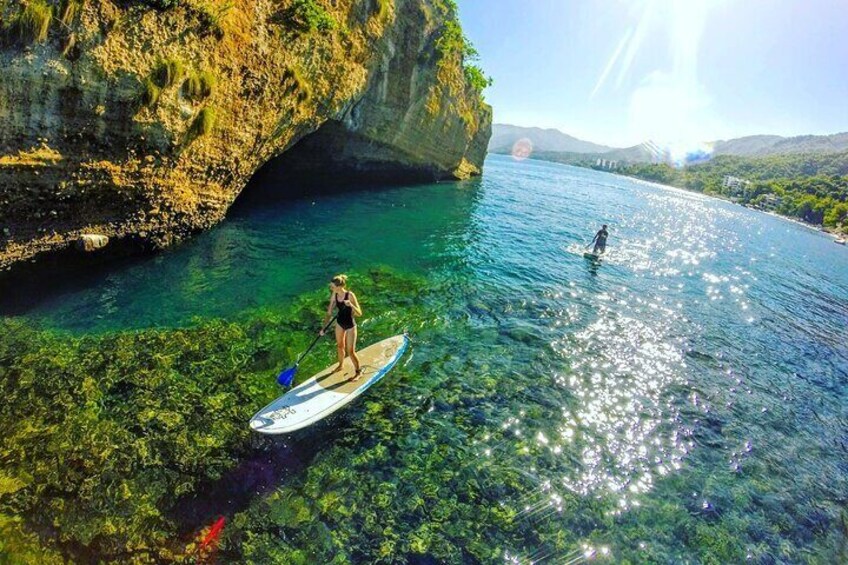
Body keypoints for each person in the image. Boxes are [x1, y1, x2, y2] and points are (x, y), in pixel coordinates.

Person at [320, 274, 363, 380]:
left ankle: (358, 372)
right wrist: (323, 328)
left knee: (350, 351)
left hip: (350, 326)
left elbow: (359, 313)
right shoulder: (334, 295)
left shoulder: (350, 295)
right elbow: (329, 313)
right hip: (340, 323)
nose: (331, 288)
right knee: (339, 346)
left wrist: (351, 305)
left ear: (339, 287)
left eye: (332, 287)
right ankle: (340, 365)